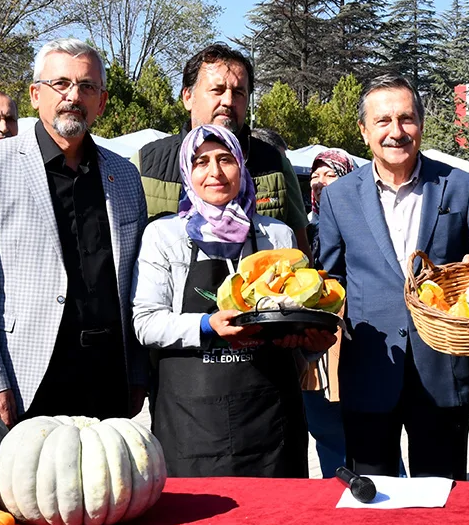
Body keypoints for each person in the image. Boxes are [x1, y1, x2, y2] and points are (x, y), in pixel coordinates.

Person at [0, 38, 148, 426]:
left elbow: (136, 284)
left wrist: (138, 372)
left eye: (87, 87)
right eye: (61, 84)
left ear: (102, 102)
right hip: (27, 375)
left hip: (108, 374)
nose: (73, 96)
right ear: (36, 94)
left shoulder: (124, 175)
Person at [315, 75, 469, 480]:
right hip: (370, 370)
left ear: (421, 125)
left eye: (406, 119)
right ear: (363, 131)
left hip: (444, 370)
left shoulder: (460, 188)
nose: (395, 132)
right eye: (383, 121)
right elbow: (330, 278)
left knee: (443, 499)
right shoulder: (338, 197)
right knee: (375, 499)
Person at [134, 125, 326, 475]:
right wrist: (207, 324)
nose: (215, 172)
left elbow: (297, 315)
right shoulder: (164, 235)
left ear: (242, 165)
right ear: (187, 173)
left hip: (270, 421)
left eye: (225, 160)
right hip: (190, 423)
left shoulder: (276, 235)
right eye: (201, 162)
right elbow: (145, 322)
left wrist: (309, 340)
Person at [137, 45, 310, 245]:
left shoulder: (274, 165)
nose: (228, 101)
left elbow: (300, 253)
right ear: (187, 97)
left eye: (238, 93)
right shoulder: (147, 164)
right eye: (217, 90)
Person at [302, 148, 357, 474]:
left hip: (355, 338)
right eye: (315, 176)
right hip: (316, 343)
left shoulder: (364, 223)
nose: (321, 182)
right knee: (325, 429)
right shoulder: (304, 229)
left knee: (367, 434)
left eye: (330, 174)